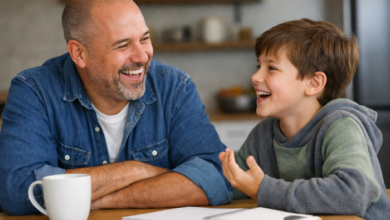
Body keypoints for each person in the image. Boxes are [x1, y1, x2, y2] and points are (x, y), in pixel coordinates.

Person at [0, 0, 232, 215]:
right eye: (123, 45)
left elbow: (217, 178)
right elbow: (17, 191)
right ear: (79, 53)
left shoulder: (174, 88)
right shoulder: (33, 91)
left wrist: (100, 200)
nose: (143, 56)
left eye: (144, 38)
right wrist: (135, 170)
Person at [219, 18, 390, 220]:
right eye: (258, 66)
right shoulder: (263, 134)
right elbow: (231, 184)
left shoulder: (341, 127)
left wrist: (264, 189)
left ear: (313, 83)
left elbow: (352, 193)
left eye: (271, 68)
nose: (255, 77)